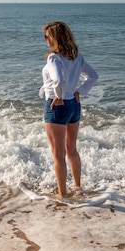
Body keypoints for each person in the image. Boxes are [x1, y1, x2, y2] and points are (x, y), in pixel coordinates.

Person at [39, 21, 98, 198]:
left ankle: (62, 195)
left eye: (47, 35)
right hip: (73, 105)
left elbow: (57, 80)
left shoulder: (54, 58)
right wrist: (81, 91)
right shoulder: (76, 56)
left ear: (54, 38)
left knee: (58, 155)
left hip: (57, 106)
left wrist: (58, 95)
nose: (45, 39)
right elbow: (93, 76)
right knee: (71, 150)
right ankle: (77, 187)